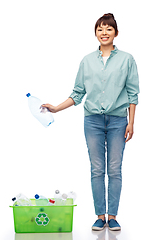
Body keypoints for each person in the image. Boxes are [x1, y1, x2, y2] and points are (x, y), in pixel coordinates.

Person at [41, 13, 139, 231]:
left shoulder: (127, 60)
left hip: (117, 121)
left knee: (114, 169)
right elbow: (77, 93)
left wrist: (131, 123)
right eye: (100, 29)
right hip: (92, 121)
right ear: (95, 33)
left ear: (116, 33)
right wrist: (56, 107)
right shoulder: (86, 61)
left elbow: (133, 95)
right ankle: (100, 216)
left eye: (108, 29)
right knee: (97, 169)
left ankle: (112, 216)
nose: (104, 33)